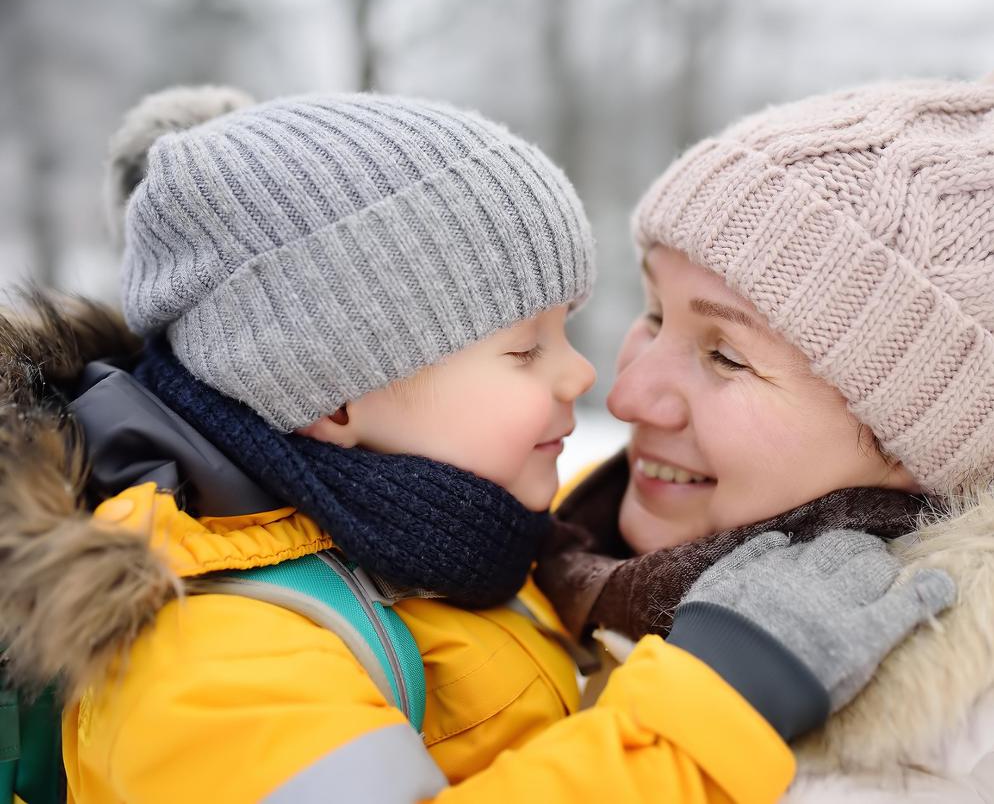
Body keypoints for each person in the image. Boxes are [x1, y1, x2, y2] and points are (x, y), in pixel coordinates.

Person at [0, 87, 950, 804]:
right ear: (331, 398)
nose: (590, 381)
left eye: (568, 328)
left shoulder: (430, 540)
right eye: (523, 348)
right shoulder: (210, 650)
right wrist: (714, 708)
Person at [536, 75, 994, 800]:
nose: (625, 396)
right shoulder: (501, 555)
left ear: (914, 440)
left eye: (725, 355)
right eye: (654, 314)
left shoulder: (935, 763)